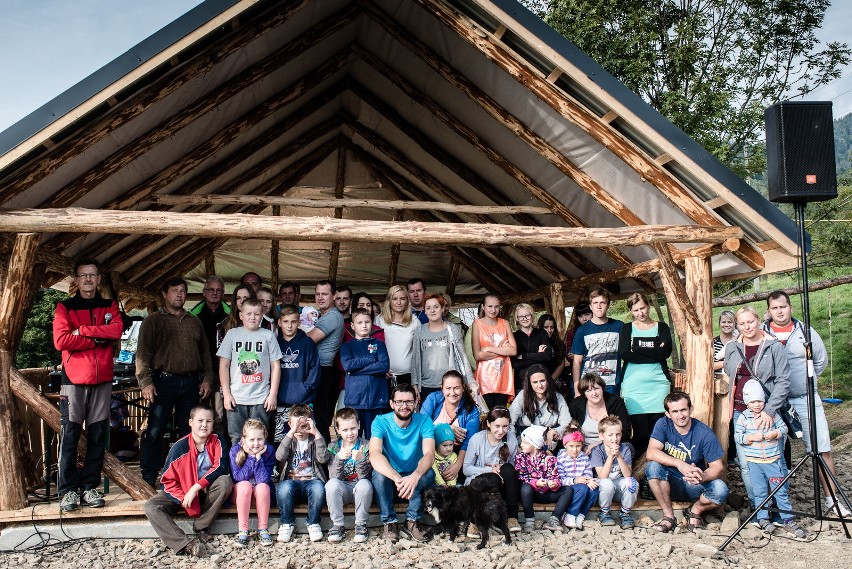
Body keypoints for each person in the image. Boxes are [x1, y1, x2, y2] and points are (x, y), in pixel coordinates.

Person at [763, 290, 849, 517]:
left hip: (804, 398)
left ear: (790, 307)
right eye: (775, 308)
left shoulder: (805, 331)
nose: (779, 311)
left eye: (783, 307)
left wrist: (804, 382)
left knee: (821, 448)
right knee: (771, 452)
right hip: (774, 402)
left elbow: (820, 361)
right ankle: (774, 504)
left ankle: (832, 499)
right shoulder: (763, 333)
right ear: (769, 311)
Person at [53, 257, 124, 511]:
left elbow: (116, 331)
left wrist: (82, 332)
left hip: (102, 379)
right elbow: (61, 341)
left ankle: (89, 487)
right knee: (70, 435)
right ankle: (67, 490)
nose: (88, 280)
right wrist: (97, 339)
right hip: (74, 379)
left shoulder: (109, 305)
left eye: (92, 275)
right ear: (76, 279)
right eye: (83, 275)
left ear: (99, 279)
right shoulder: (65, 307)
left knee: (97, 436)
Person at [136, 277, 215, 487]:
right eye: (174, 290)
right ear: (164, 294)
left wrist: (207, 379)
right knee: (155, 430)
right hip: (163, 381)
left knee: (188, 432)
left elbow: (205, 354)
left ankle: (184, 473)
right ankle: (149, 474)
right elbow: (142, 354)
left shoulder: (194, 321)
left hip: (191, 383)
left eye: (182, 290)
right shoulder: (153, 320)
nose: (179, 294)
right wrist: (146, 381)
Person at [723, 305, 791, 508]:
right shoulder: (733, 347)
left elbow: (783, 380)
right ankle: (758, 505)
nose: (747, 327)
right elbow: (729, 373)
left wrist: (770, 411)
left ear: (758, 321)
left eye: (750, 321)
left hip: (767, 410)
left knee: (775, 461)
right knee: (746, 464)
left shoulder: (774, 346)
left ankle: (779, 505)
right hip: (741, 412)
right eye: (742, 323)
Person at [143, 406, 232, 557]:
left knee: (225, 481)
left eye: (208, 421)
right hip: (183, 492)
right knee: (151, 506)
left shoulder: (218, 440)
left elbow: (221, 467)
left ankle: (201, 526)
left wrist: (196, 488)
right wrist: (184, 497)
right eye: (200, 421)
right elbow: (167, 481)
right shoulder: (179, 448)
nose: (204, 425)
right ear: (190, 422)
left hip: (206, 490)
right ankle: (184, 543)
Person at [645, 391, 729, 533]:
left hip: (694, 483)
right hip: (669, 481)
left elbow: (717, 467)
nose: (681, 415)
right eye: (675, 411)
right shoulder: (663, 424)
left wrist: (702, 476)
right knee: (652, 467)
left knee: (721, 490)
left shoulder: (704, 432)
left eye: (683, 409)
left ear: (690, 409)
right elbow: (651, 452)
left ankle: (695, 511)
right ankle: (669, 516)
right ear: (668, 414)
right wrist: (680, 464)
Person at [734, 380, 806, 537]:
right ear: (747, 402)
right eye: (753, 401)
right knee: (760, 491)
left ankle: (787, 519)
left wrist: (775, 433)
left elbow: (783, 428)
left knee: (779, 490)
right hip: (755, 462)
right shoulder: (744, 418)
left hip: (772, 460)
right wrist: (752, 437)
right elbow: (738, 437)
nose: (757, 404)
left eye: (759, 401)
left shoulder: (771, 415)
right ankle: (762, 517)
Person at [369, 383, 436, 543]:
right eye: (399, 402)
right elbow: (374, 454)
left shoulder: (424, 421)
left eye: (409, 402)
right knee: (378, 475)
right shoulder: (380, 421)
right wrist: (397, 477)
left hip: (414, 480)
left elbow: (429, 454)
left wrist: (415, 475)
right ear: (392, 403)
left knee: (428, 473)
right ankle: (389, 522)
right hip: (393, 480)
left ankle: (412, 521)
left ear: (416, 403)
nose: (404, 406)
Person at [217, 298, 282, 444]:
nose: (253, 317)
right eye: (249, 314)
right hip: (236, 398)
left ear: (262, 315)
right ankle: (238, 467)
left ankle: (258, 467)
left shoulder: (268, 335)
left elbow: (276, 366)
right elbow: (224, 365)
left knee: (260, 437)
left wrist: (272, 395)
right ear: (241, 315)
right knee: (237, 437)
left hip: (261, 398)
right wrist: (227, 394)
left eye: (257, 314)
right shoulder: (232, 334)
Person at [618, 292, 673, 459]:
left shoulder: (661, 327)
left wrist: (640, 349)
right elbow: (626, 354)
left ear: (648, 306)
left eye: (642, 308)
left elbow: (666, 352)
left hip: (658, 386)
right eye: (635, 310)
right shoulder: (627, 328)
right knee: (641, 434)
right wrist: (655, 351)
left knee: (657, 434)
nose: (640, 313)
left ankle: (656, 472)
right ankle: (639, 474)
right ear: (631, 312)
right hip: (634, 387)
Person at [275, 404, 329, 543]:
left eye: (304, 426)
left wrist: (316, 433)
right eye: (296, 426)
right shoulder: (289, 439)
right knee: (283, 488)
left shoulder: (314, 440)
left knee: (319, 488)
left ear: (310, 425)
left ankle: (313, 522)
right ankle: (287, 523)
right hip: (291, 482)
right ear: (290, 425)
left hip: (312, 481)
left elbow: (323, 458)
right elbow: (279, 456)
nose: (300, 430)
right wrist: (290, 432)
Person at [462, 407, 522, 533]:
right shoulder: (477, 439)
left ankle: (512, 517)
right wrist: (489, 469)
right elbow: (466, 469)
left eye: (505, 426)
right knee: (492, 477)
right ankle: (474, 522)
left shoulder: (510, 439)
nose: (501, 431)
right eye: (497, 426)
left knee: (508, 469)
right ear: (489, 424)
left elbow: (511, 468)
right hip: (479, 482)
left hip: (501, 485)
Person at [420, 370, 481, 484]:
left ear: (463, 388)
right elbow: (422, 425)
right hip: (430, 451)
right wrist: (447, 428)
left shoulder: (471, 410)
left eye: (456, 388)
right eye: (448, 388)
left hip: (457, 454)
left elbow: (470, 442)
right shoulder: (433, 399)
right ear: (442, 388)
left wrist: (457, 465)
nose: (452, 393)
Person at [412, 293, 474, 401]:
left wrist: (471, 381)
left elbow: (462, 356)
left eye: (436, 307)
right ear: (425, 311)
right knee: (428, 417)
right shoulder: (419, 331)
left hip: (450, 386)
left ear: (442, 309)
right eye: (428, 308)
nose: (432, 310)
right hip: (426, 385)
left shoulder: (452, 328)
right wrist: (414, 384)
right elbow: (415, 359)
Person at [340, 308, 391, 438]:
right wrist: (370, 359)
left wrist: (357, 370)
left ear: (371, 323)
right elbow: (348, 366)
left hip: (376, 400)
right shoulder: (347, 346)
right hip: (355, 400)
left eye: (367, 322)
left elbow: (384, 366)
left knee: (374, 439)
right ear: (352, 325)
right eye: (359, 322)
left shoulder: (379, 344)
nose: (364, 325)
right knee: (353, 439)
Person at [325, 407, 373, 543]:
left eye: (353, 428)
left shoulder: (366, 445)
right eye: (345, 430)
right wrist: (339, 458)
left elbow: (366, 477)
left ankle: (360, 525)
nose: (350, 433)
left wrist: (360, 460)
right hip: (343, 489)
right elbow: (334, 477)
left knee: (365, 485)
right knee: (331, 485)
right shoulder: (333, 447)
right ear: (338, 431)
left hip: (360, 488)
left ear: (358, 425)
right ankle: (338, 525)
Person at [306, 280, 345, 442]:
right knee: (317, 416)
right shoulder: (322, 316)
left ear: (334, 296)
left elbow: (308, 340)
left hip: (323, 370)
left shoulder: (332, 317)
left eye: (325, 294)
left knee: (321, 418)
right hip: (319, 369)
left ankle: (324, 461)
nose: (320, 297)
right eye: (318, 294)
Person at [274, 304, 320, 443]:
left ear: (299, 322)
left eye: (293, 321)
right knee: (282, 444)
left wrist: (305, 389)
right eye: (286, 322)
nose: (289, 326)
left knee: (304, 443)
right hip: (280, 403)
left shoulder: (307, 343)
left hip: (303, 404)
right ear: (279, 322)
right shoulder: (274, 342)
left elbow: (315, 369)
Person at [514, 425, 571, 533]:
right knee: (525, 487)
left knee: (568, 490)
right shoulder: (520, 457)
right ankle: (529, 520)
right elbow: (521, 476)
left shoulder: (550, 458)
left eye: (525, 442)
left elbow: (555, 476)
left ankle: (554, 518)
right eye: (522, 441)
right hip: (529, 494)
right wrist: (535, 483)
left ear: (535, 445)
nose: (521, 445)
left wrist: (553, 483)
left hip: (546, 493)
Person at [229, 418, 276, 548]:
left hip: (260, 497)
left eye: (260, 439)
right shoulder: (235, 451)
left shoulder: (269, 451)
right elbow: (238, 477)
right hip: (241, 496)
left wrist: (259, 458)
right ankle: (243, 530)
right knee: (245, 485)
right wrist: (250, 457)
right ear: (244, 440)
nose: (256, 444)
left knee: (263, 487)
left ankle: (263, 529)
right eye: (251, 440)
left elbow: (264, 479)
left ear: (265, 438)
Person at [571, 288, 623, 396]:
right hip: (588, 386)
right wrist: (577, 390)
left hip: (611, 385)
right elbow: (577, 362)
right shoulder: (582, 331)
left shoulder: (619, 326)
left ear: (608, 305)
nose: (599, 306)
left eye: (602, 302)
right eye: (595, 303)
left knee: (612, 413)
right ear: (590, 306)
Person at [590, 415, 637, 530]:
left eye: (618, 434)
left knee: (632, 482)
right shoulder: (597, 451)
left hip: (618, 486)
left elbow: (627, 474)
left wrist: (619, 457)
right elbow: (602, 476)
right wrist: (611, 456)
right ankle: (604, 513)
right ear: (601, 436)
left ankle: (625, 513)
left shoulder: (624, 449)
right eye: (610, 435)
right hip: (603, 489)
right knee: (607, 483)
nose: (614, 439)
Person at [509, 364, 571, 450]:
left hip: (549, 443)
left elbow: (567, 422)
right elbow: (510, 421)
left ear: (548, 380)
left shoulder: (558, 397)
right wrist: (514, 443)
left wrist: (555, 431)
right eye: (535, 382)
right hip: (525, 443)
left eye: (542, 381)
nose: (539, 385)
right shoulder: (522, 396)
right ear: (529, 383)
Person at [471, 294, 517, 409]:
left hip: (503, 377)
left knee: (501, 413)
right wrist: (503, 350)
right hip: (485, 378)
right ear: (483, 307)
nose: (493, 310)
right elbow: (478, 355)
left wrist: (489, 348)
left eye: (496, 306)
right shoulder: (477, 324)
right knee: (486, 414)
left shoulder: (505, 323)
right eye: (490, 306)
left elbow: (513, 350)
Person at [568, 372, 631, 451]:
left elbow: (625, 431)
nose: (594, 393)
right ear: (584, 394)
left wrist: (599, 446)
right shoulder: (576, 405)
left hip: (612, 446)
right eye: (589, 391)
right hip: (584, 449)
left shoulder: (616, 402)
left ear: (602, 388)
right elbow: (570, 432)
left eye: (596, 388)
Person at [375, 285, 419, 387]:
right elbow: (373, 347)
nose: (398, 302)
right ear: (389, 301)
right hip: (384, 374)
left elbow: (419, 351)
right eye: (395, 299)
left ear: (407, 301)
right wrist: (380, 367)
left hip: (407, 375)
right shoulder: (379, 320)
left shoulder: (415, 321)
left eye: (402, 299)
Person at [555, 430, 599, 530]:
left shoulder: (584, 458)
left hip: (582, 485)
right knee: (582, 488)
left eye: (578, 446)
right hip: (568, 489)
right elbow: (560, 480)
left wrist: (589, 481)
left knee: (594, 489)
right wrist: (575, 480)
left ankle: (581, 514)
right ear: (565, 445)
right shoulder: (560, 459)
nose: (575, 449)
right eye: (571, 446)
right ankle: (570, 514)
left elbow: (588, 473)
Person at [511, 303, 555, 394]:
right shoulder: (514, 336)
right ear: (517, 319)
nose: (524, 319)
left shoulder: (542, 333)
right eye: (521, 316)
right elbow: (514, 363)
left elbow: (547, 356)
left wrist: (524, 355)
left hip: (541, 381)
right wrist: (537, 355)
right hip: (521, 383)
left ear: (532, 316)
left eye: (527, 315)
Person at [189, 275, 230, 364]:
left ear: (223, 294)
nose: (214, 293)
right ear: (204, 292)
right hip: (201, 366)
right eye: (211, 290)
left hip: (226, 365)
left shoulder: (231, 315)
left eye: (218, 290)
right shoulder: (193, 316)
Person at [538, 313, 567, 384]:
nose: (549, 330)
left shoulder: (559, 343)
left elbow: (561, 364)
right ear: (540, 327)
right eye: (546, 327)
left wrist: (551, 380)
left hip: (555, 380)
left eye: (552, 327)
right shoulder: (536, 342)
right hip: (539, 379)